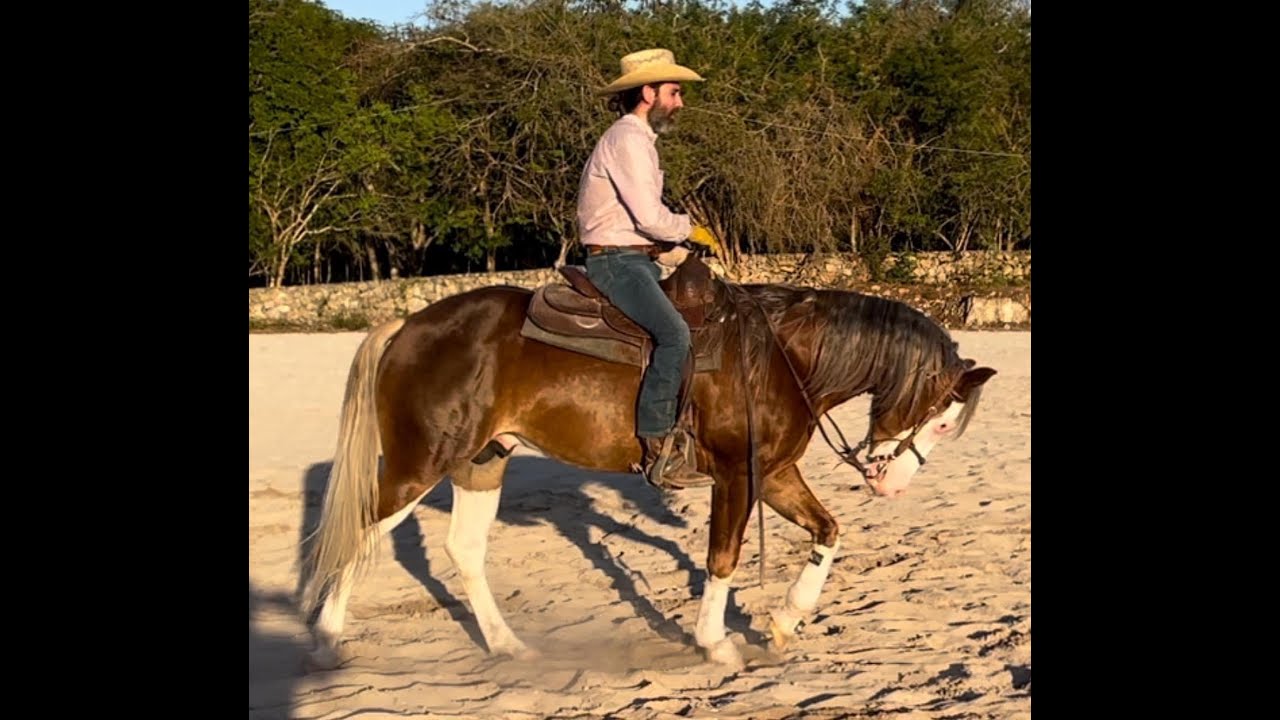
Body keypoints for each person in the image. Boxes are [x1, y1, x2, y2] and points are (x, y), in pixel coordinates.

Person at [576, 48, 722, 491]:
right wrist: (691, 230)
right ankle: (658, 446)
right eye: (674, 92)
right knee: (675, 334)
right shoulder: (628, 140)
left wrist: (668, 245)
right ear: (648, 92)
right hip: (617, 263)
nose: (680, 103)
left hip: (635, 255)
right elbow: (648, 216)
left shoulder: (637, 140)